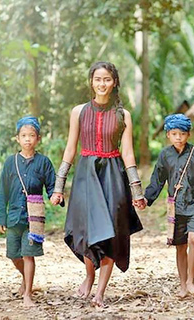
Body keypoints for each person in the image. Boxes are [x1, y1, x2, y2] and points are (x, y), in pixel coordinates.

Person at [50, 61, 143, 308]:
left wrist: (136, 191)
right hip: (85, 175)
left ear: (115, 83)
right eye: (98, 79)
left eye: (107, 79)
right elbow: (70, 149)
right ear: (91, 82)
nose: (102, 84)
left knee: (112, 230)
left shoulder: (124, 115)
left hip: (113, 176)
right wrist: (58, 187)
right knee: (85, 231)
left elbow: (128, 154)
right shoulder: (78, 112)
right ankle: (89, 276)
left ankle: (100, 292)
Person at [138, 114, 194, 298]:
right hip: (176, 207)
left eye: (182, 133)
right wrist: (147, 198)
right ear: (168, 135)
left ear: (188, 135)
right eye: (174, 133)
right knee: (180, 246)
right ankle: (182, 286)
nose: (178, 137)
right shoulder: (165, 155)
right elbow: (157, 179)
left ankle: (191, 281)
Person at [0, 116, 56, 307]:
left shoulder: (44, 162)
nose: (28, 139)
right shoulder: (10, 162)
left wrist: (55, 196)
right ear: (17, 138)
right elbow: (2, 191)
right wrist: (0, 217)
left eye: (32, 135)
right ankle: (25, 279)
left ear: (38, 139)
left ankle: (28, 293)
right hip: (13, 217)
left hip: (33, 218)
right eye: (24, 135)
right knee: (14, 255)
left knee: (28, 254)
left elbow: (52, 185)